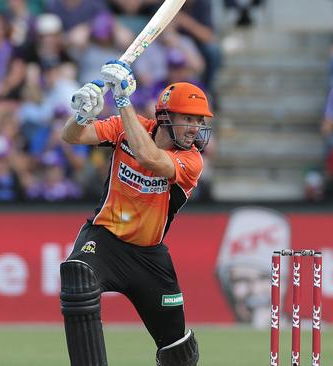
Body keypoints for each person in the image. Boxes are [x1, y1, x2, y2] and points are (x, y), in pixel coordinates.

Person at [59, 59, 213, 365]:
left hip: (149, 257)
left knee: (179, 352)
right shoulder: (123, 127)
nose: (195, 128)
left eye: (199, 121)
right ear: (166, 115)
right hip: (105, 240)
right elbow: (72, 136)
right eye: (189, 119)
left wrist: (122, 99)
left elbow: (150, 156)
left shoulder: (192, 161)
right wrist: (81, 114)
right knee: (79, 277)